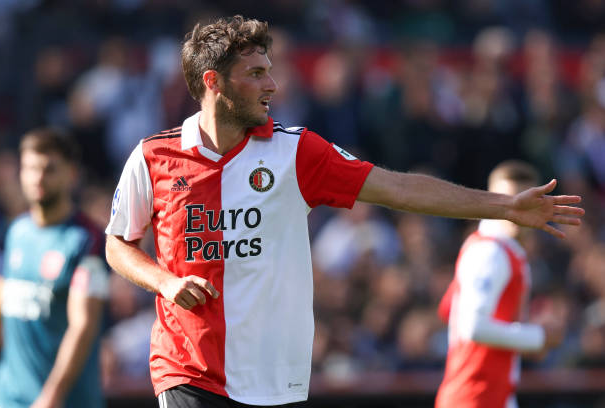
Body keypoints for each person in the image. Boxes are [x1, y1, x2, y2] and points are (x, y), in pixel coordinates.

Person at [104, 15, 584, 408]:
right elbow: (118, 242)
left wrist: (505, 207)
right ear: (213, 82)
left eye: (269, 69)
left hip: (275, 377)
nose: (272, 83)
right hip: (188, 369)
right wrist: (165, 282)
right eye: (255, 73)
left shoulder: (296, 153)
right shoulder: (153, 157)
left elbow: (398, 188)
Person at [435, 161, 566, 408]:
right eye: (511, 199)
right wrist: (537, 336)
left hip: (491, 395)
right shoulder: (491, 252)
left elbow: (448, 311)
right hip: (475, 397)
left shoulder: (495, 248)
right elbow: (472, 327)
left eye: (528, 200)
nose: (519, 208)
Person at [0, 128, 109, 408]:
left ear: (71, 173)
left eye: (49, 169)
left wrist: (52, 396)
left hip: (64, 401)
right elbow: (4, 294)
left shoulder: (86, 240)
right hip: (8, 396)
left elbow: (83, 324)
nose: (38, 178)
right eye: (30, 168)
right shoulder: (17, 231)